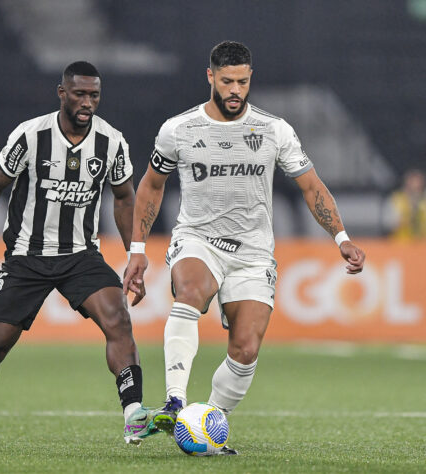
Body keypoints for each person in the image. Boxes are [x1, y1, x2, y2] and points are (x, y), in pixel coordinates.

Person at [122, 41, 366, 455]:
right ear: (210, 77)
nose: (236, 90)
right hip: (197, 238)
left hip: (253, 252)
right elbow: (151, 184)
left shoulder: (274, 130)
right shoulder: (179, 129)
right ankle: (175, 401)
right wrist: (137, 248)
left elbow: (310, 186)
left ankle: (201, 426)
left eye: (243, 82)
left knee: (246, 348)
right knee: (190, 291)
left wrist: (341, 237)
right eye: (228, 81)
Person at [0, 61, 156, 450]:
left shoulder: (111, 142)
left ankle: (133, 413)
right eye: (80, 94)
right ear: (62, 93)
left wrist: (134, 253)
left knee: (118, 320)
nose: (88, 102)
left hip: (81, 256)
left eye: (94, 95)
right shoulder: (30, 136)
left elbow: (125, 198)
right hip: (26, 257)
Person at [385, 169, 426, 240]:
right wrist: (406, 217)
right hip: (401, 246)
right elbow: (388, 224)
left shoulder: (424, 202)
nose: (415, 189)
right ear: (407, 184)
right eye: (413, 184)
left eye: (418, 187)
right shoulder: (397, 200)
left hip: (422, 246)